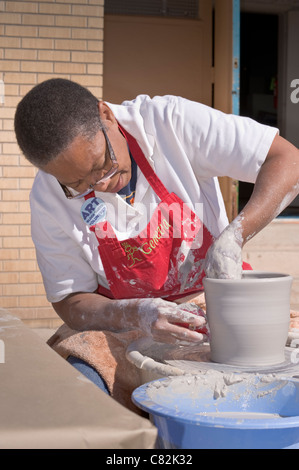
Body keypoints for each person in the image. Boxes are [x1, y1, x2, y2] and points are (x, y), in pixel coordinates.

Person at [14, 79, 299, 403]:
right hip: (124, 322)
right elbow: (70, 299)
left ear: (106, 115)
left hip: (216, 304)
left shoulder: (169, 123)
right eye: (79, 184)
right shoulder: (48, 196)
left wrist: (234, 236)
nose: (103, 183)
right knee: (79, 391)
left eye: (102, 164)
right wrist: (135, 315)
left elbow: (287, 160)